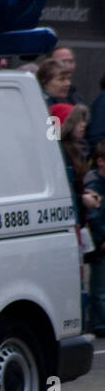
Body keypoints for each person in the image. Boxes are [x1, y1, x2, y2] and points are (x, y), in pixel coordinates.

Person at [84, 141, 105, 336]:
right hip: (100, 244)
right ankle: (99, 323)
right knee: (99, 286)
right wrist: (101, 238)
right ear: (100, 161)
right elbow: (95, 216)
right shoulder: (94, 184)